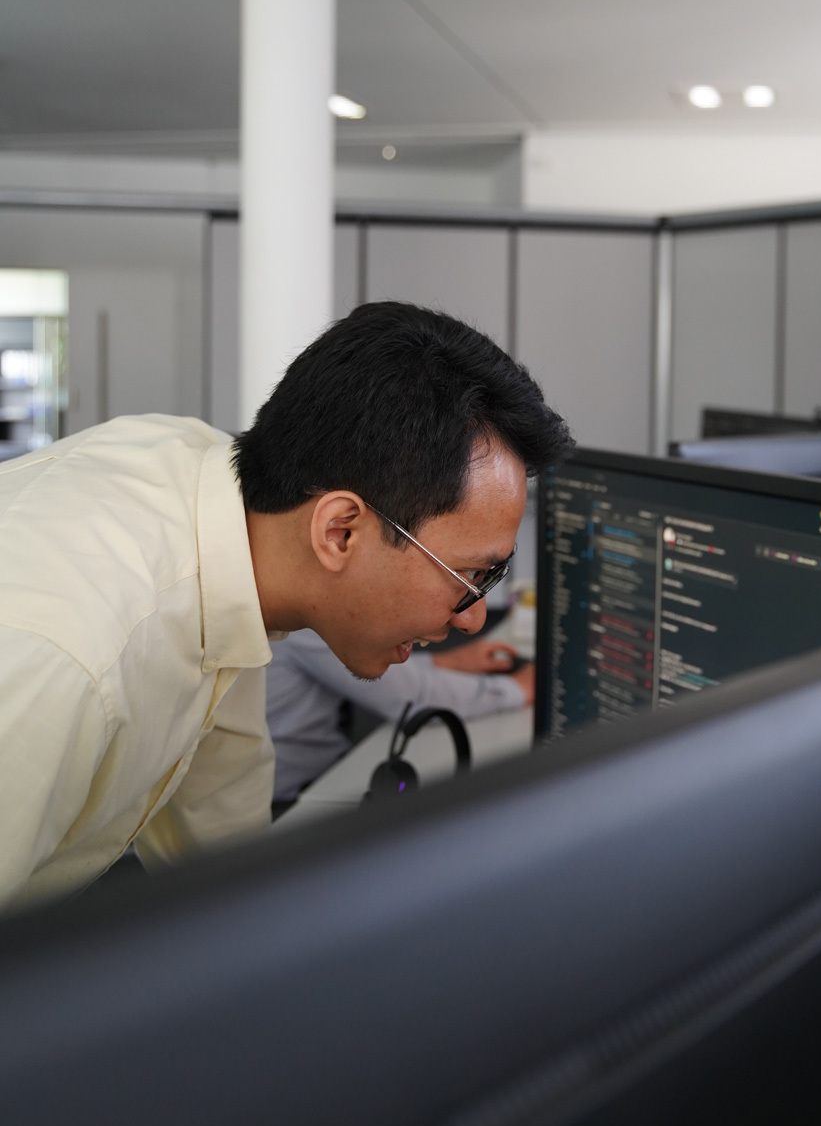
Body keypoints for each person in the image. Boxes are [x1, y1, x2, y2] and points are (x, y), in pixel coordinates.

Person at [0, 301, 572, 910]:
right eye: (470, 576)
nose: (474, 615)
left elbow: (220, 827)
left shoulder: (222, 521)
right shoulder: (70, 660)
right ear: (339, 532)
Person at [266, 625, 534, 808]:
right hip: (291, 800)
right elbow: (413, 698)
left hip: (315, 775)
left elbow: (354, 667)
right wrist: (517, 689)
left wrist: (445, 662)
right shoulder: (304, 625)